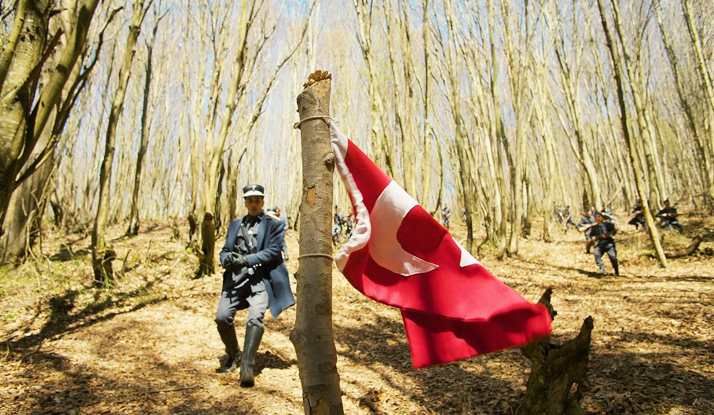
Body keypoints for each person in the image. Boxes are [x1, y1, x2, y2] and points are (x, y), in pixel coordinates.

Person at [216, 184, 294, 387]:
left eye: (257, 200)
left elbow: (273, 251)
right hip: (236, 279)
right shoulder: (235, 225)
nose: (253, 204)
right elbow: (225, 250)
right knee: (222, 317)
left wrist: (246, 260)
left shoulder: (275, 225)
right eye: (249, 200)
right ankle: (234, 355)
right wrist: (226, 259)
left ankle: (247, 366)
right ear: (245, 202)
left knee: (255, 318)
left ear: (263, 202)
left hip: (261, 280)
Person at [589, 211, 619, 276]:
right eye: (596, 217)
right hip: (600, 243)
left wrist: (607, 235)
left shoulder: (608, 224)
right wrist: (593, 238)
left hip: (609, 242)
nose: (597, 218)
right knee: (596, 254)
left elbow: (614, 231)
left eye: (599, 217)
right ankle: (602, 269)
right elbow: (591, 235)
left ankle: (616, 271)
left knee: (613, 257)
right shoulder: (594, 227)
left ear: (602, 217)